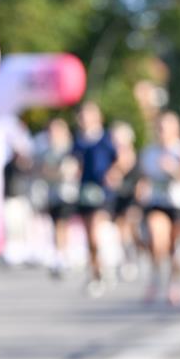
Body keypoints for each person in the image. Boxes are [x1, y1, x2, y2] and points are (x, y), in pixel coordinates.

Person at [138, 111, 180, 306]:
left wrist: (175, 170)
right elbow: (144, 177)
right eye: (159, 127)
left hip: (179, 203)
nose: (161, 132)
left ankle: (176, 282)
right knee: (156, 239)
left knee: (176, 249)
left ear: (175, 130)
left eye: (165, 128)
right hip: (157, 202)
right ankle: (155, 276)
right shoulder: (149, 152)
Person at [72, 101, 117, 296]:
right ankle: (95, 272)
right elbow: (74, 162)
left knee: (98, 231)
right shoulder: (79, 141)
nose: (84, 119)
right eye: (82, 115)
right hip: (85, 190)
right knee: (89, 235)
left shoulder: (106, 138)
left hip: (102, 190)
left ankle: (107, 264)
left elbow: (120, 159)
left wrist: (113, 173)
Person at [34, 117, 79, 277]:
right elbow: (42, 171)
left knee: (62, 223)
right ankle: (60, 254)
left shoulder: (70, 149)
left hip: (67, 193)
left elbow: (69, 171)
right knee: (55, 224)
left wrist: (53, 172)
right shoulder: (46, 151)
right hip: (52, 193)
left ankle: (62, 256)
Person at [106, 121, 141, 281]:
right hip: (117, 195)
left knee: (129, 226)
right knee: (121, 228)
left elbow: (126, 168)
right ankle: (126, 258)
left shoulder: (131, 154)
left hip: (131, 195)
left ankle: (132, 255)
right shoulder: (111, 154)